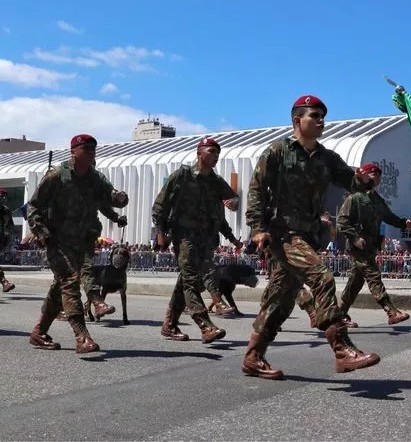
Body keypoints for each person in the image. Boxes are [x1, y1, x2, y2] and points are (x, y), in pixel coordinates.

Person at [242, 95, 380, 379]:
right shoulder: (277, 152)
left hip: (309, 235)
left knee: (280, 300)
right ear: (297, 120)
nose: (321, 122)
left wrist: (363, 180)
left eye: (322, 117)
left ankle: (253, 357)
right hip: (283, 234)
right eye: (314, 116)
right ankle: (341, 348)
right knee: (322, 276)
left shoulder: (326, 157)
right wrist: (258, 228)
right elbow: (256, 190)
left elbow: (348, 179)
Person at [26, 134, 129, 353]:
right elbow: (33, 207)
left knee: (60, 287)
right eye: (86, 148)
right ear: (74, 151)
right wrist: (41, 232)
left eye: (93, 149)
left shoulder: (96, 178)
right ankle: (82, 336)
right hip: (58, 240)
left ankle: (39, 332)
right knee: (70, 281)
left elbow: (108, 197)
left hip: (83, 240)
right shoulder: (57, 176)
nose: (91, 152)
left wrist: (119, 198)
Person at [153, 137, 239, 344]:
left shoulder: (215, 181)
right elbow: (160, 205)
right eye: (211, 151)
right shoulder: (182, 176)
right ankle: (205, 325)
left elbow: (233, 198)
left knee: (189, 280)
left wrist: (233, 203)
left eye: (218, 153)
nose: (215, 156)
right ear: (199, 152)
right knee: (190, 279)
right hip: (184, 236)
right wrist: (160, 233)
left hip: (206, 239)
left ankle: (169, 325)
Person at [337, 162, 411, 327]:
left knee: (355, 282)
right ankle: (391, 311)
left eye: (379, 175)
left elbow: (389, 217)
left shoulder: (376, 199)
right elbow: (342, 222)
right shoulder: (354, 197)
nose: (378, 177)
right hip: (358, 246)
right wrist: (355, 238)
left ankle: (338, 315)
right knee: (373, 275)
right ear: (365, 175)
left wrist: (405, 223)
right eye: (374, 174)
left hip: (371, 245)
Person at [0, 189, 16, 293]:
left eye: (5, 196)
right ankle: (4, 282)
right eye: (1, 196)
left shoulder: (6, 210)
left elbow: (10, 227)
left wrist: (9, 239)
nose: (3, 198)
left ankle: (4, 282)